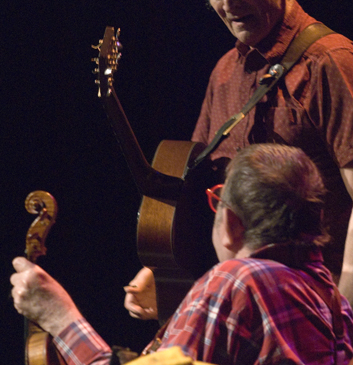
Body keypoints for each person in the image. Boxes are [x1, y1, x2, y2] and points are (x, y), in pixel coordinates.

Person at [124, 0, 353, 320]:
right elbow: (201, 190)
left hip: (313, 310)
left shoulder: (330, 62)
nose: (227, 5)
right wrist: (160, 271)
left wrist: (344, 302)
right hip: (249, 312)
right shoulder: (225, 72)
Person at [11, 144, 353, 364]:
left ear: (231, 222)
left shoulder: (235, 281)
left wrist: (60, 317)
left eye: (217, 201)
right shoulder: (334, 302)